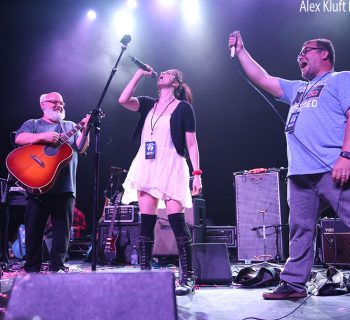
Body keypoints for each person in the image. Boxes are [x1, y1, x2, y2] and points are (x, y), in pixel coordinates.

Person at [228, 32, 350, 299]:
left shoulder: (341, 79)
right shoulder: (297, 89)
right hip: (300, 174)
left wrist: (347, 155)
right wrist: (242, 52)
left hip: (332, 168)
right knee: (300, 230)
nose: (300, 56)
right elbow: (262, 78)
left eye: (306, 51)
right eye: (299, 54)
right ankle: (294, 284)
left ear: (325, 53)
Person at [118, 67, 202, 295]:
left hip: (171, 164)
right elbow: (123, 99)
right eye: (161, 72)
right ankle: (145, 274)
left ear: (176, 83)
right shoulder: (147, 104)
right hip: (146, 164)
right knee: (146, 222)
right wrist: (137, 74)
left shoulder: (184, 108)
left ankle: (187, 278)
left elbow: (192, 144)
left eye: (168, 73)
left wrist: (197, 174)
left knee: (176, 220)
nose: (162, 73)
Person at [15, 91, 90, 272]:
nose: (59, 105)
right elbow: (19, 139)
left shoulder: (71, 125)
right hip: (37, 186)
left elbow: (80, 148)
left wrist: (86, 129)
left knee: (62, 232)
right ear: (43, 104)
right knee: (34, 230)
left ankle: (58, 266)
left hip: (65, 187)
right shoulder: (33, 124)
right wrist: (42, 137)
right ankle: (32, 267)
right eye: (54, 102)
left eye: (62, 103)